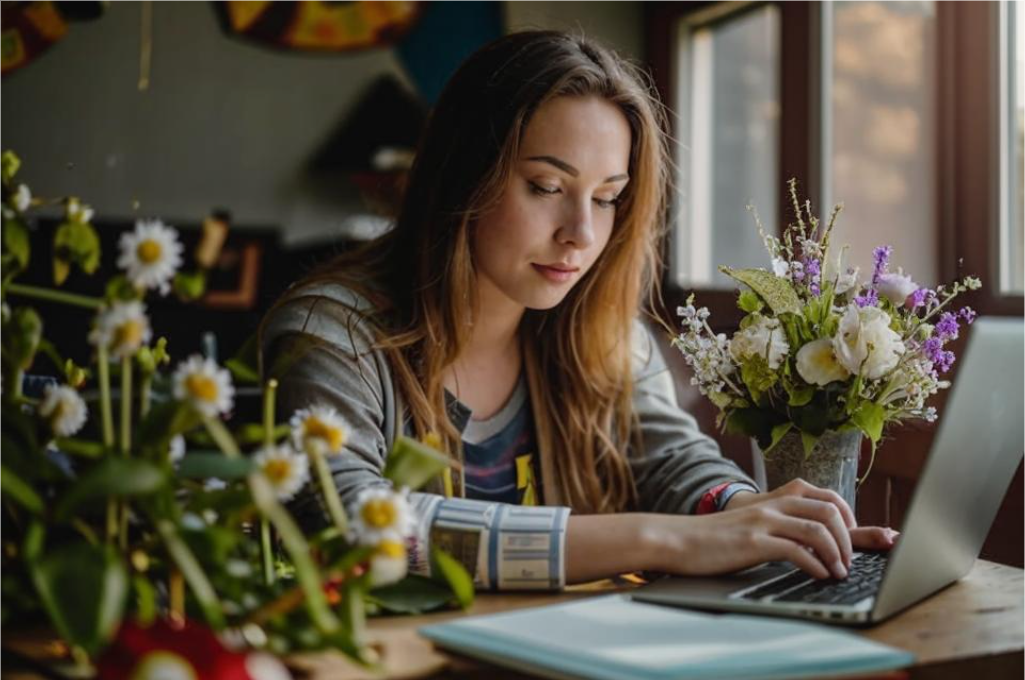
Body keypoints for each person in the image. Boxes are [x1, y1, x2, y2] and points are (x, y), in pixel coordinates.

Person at [261, 30, 896, 591]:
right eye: (546, 187)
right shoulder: (330, 333)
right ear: (461, 175)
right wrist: (664, 541)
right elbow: (354, 520)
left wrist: (739, 511)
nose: (582, 234)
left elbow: (672, 459)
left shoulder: (599, 327)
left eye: (607, 197)